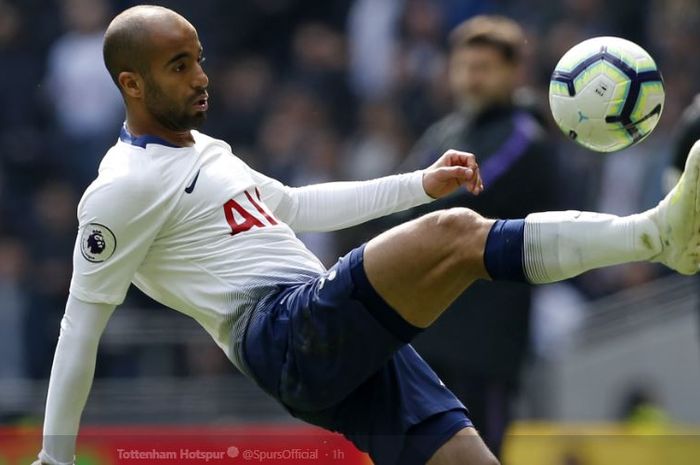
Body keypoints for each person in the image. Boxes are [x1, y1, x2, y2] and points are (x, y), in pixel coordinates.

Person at [33, 6, 700, 465]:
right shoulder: (120, 187)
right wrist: (55, 453)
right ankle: (653, 237)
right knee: (458, 236)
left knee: (467, 456)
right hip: (286, 331)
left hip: (334, 338)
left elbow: (294, 204)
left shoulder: (204, 148)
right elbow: (79, 327)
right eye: (179, 65)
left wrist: (417, 184)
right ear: (131, 83)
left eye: (199, 58)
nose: (201, 76)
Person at [400, 15, 559, 456]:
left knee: (479, 453)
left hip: (486, 341)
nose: (471, 78)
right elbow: (401, 198)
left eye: (484, 68)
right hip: (429, 330)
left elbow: (450, 200)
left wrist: (413, 210)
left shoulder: (524, 137)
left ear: (513, 72)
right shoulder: (444, 134)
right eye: (464, 66)